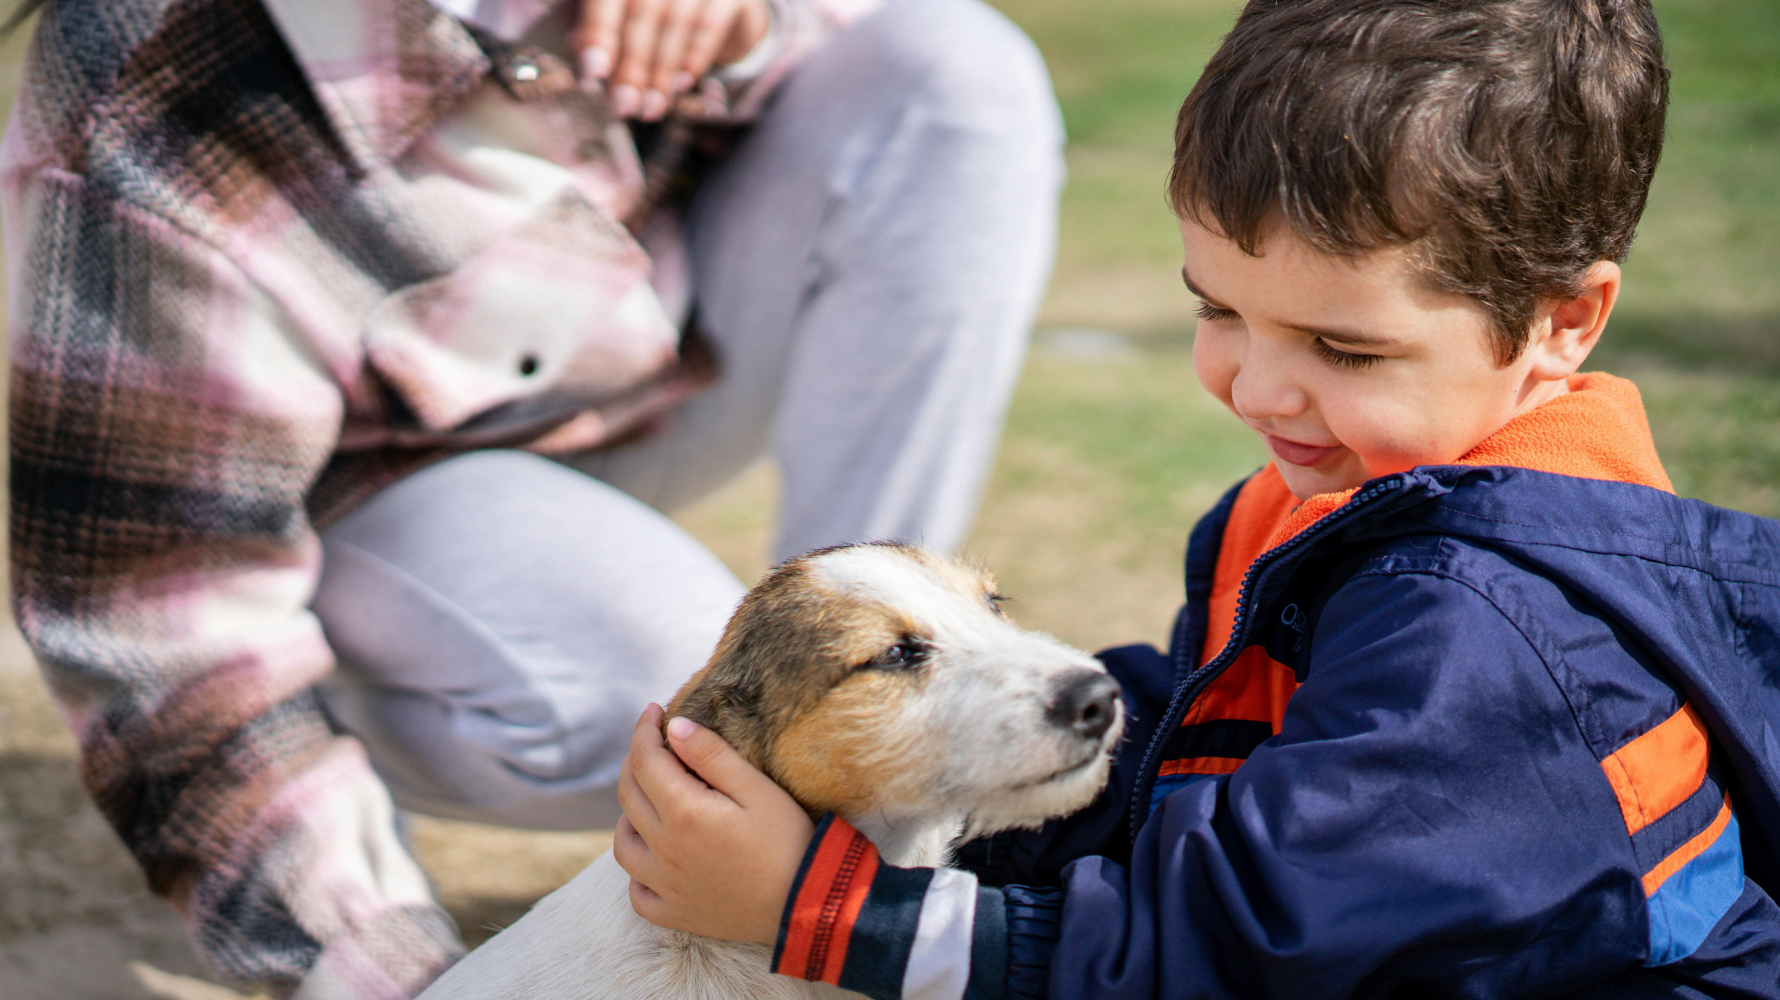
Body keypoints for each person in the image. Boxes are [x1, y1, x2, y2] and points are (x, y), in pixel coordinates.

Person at [613, 0, 1780, 995]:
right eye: (1218, 310)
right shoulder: (1359, 498)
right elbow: (1206, 747)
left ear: (1562, 321)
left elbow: (1246, 949)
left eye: (1344, 347)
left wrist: (824, 912)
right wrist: (998, 731)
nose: (1258, 386)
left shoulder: (1489, 627)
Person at [0, 0, 1062, 993]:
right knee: (690, 708)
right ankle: (780, 808)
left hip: (638, 353)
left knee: (952, 76)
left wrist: (750, 23)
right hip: (360, 495)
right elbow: (164, 639)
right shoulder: (148, 108)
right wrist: (406, 977)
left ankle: (898, 732)